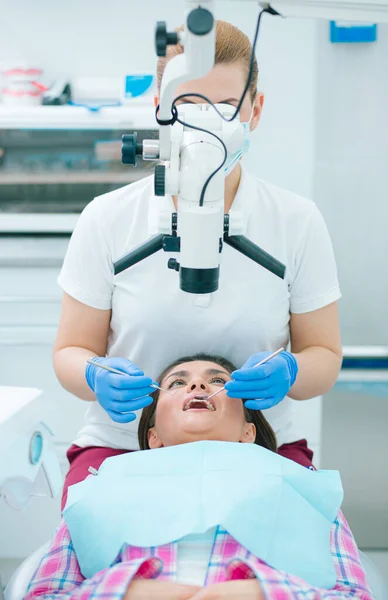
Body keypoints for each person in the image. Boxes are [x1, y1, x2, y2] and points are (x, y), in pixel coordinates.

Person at [53, 19, 342, 511]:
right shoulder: (108, 218)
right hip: (125, 445)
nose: (205, 124)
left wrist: (292, 372)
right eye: (187, 105)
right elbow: (71, 351)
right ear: (159, 108)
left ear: (256, 110)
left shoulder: (297, 220)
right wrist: (96, 375)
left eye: (226, 106)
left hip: (258, 446)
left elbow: (324, 356)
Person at [26, 356, 370, 600]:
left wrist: (259, 592)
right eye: (177, 383)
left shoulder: (303, 491)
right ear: (153, 436)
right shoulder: (97, 493)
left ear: (248, 431)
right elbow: (44, 594)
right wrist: (130, 592)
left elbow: (353, 595)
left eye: (218, 380)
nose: (198, 384)